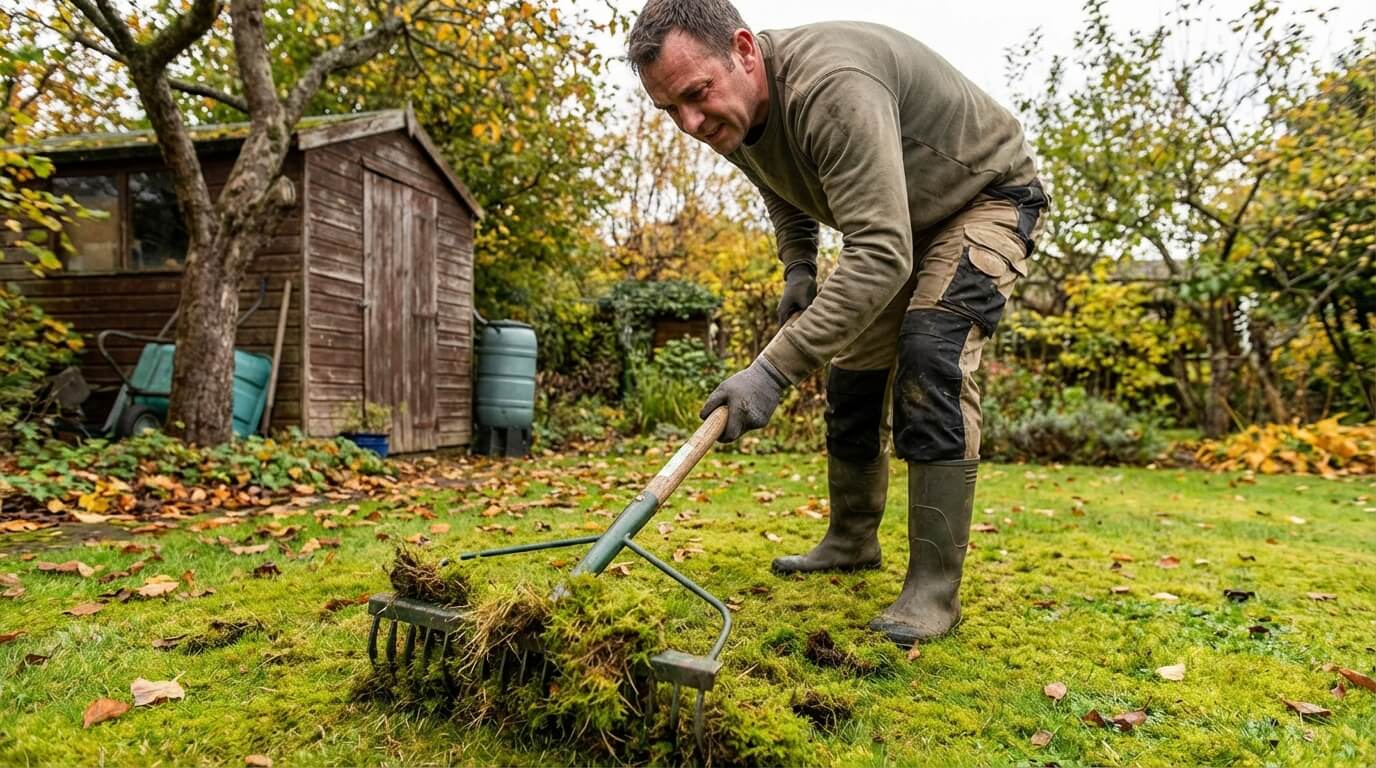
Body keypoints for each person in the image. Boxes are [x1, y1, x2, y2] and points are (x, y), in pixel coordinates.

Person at [627, 0, 1047, 646]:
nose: (689, 122)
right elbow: (779, 181)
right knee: (853, 372)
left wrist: (769, 374)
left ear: (743, 50)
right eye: (669, 111)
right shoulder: (731, 114)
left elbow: (880, 253)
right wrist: (798, 265)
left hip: (983, 198)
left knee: (930, 354)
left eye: (695, 95)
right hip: (897, 223)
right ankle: (852, 540)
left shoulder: (831, 86)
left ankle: (933, 593)